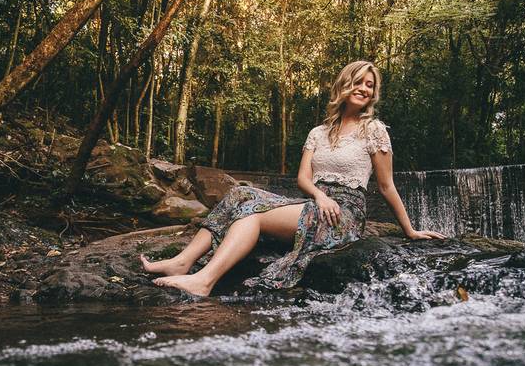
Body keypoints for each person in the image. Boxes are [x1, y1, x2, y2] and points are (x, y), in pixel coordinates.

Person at [140, 60, 445, 297]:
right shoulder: (319, 132)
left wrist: (410, 230)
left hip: (344, 214)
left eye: (370, 85)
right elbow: (303, 178)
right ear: (344, 84)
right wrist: (320, 195)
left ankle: (204, 281)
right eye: (359, 82)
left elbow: (386, 184)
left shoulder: (374, 130)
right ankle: (183, 261)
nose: (364, 88)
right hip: (315, 201)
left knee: (251, 218)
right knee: (239, 195)